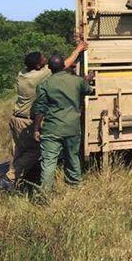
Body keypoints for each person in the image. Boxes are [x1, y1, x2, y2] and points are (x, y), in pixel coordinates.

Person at [2, 41, 88, 189]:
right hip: (27, 121)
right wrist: (78, 49)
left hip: (15, 118)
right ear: (37, 66)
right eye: (43, 59)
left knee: (20, 151)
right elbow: (63, 65)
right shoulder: (39, 77)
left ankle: (15, 181)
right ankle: (9, 179)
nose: (46, 59)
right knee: (35, 151)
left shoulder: (22, 74)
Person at [32, 54, 94, 193]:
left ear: (49, 68)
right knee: (73, 158)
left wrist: (36, 129)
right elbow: (88, 90)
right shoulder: (76, 81)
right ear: (64, 66)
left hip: (52, 129)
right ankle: (75, 186)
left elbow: (40, 109)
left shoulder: (45, 84)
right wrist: (88, 79)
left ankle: (46, 193)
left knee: (48, 162)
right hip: (72, 128)